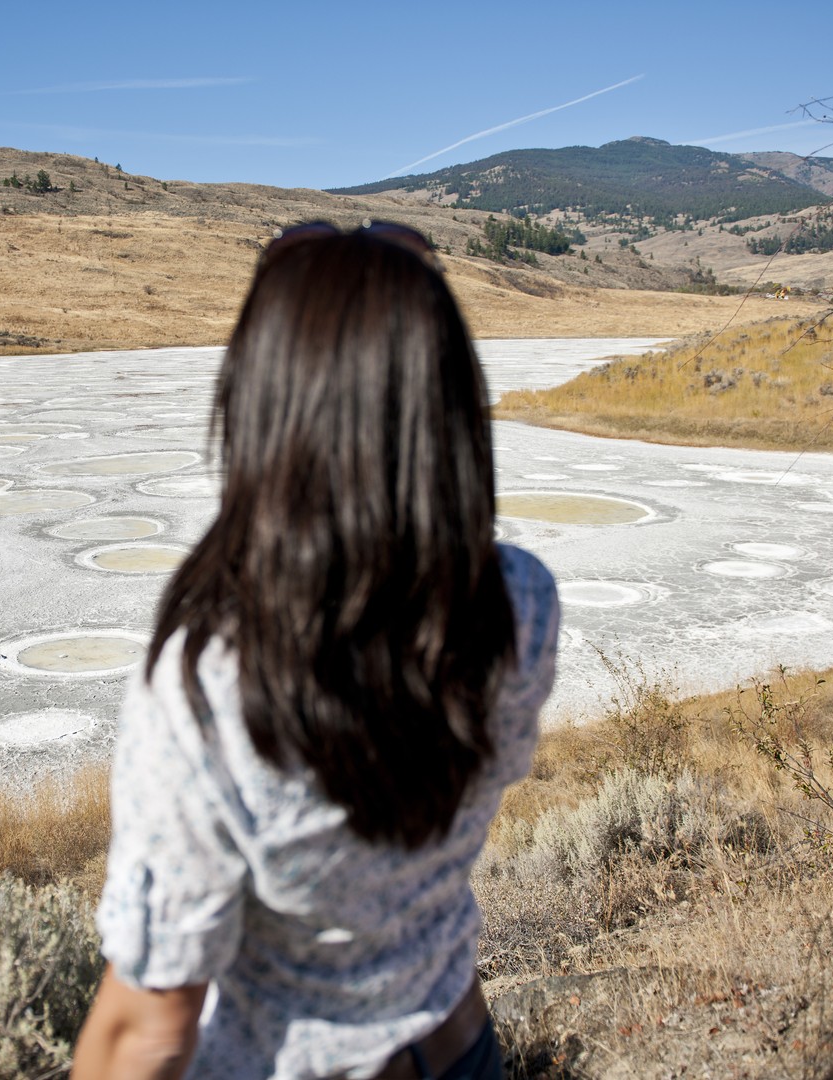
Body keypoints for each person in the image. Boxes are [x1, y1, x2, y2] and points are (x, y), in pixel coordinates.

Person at [69, 221, 560, 1079]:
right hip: (455, 1040)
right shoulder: (518, 602)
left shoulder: (215, 680)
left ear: (267, 406)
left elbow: (148, 1027)